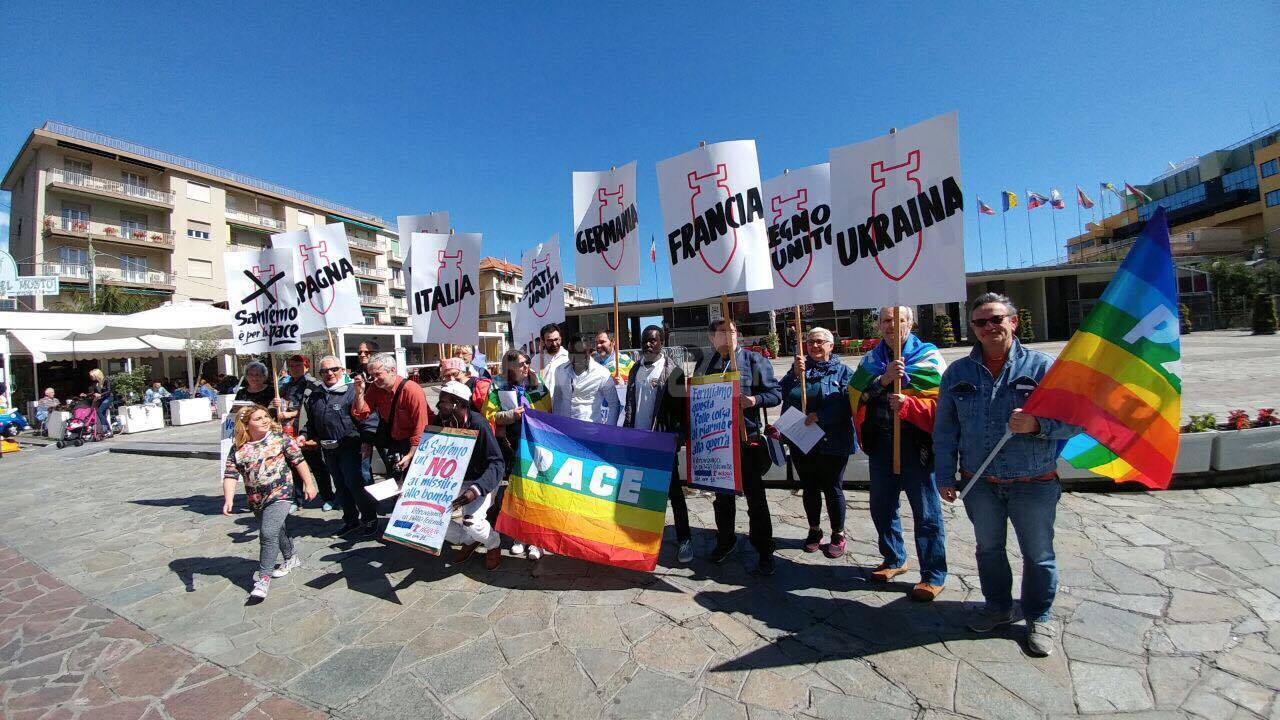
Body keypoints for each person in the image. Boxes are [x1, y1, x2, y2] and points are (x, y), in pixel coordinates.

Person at [935, 293, 1083, 657]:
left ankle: (1038, 617)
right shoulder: (958, 373)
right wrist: (944, 475)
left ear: (1013, 322)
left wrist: (1037, 424)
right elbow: (945, 429)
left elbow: (1077, 422)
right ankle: (998, 607)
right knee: (988, 550)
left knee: (1038, 555)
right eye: (980, 322)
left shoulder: (1042, 368)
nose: (989, 327)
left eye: (996, 319)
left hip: (1032, 482)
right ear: (973, 329)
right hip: (980, 483)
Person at [850, 307, 949, 601]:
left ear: (910, 323)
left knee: (926, 511)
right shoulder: (871, 360)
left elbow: (942, 404)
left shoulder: (929, 357)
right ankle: (894, 558)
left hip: (916, 446)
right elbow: (855, 395)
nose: (891, 325)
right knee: (882, 506)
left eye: (898, 320)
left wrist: (908, 399)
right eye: (885, 321)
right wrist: (883, 380)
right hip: (881, 444)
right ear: (879, 325)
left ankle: (933, 574)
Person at [696, 318, 781, 575]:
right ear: (712, 338)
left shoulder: (754, 361)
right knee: (722, 499)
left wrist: (753, 399)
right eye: (723, 332)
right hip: (717, 444)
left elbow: (775, 393)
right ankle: (726, 540)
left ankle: (765, 551)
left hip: (748, 442)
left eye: (733, 331)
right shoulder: (705, 364)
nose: (729, 336)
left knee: (756, 500)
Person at [221, 404, 318, 601]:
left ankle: (263, 579)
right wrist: (228, 499)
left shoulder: (281, 439)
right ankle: (291, 557)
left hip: (280, 493)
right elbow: (230, 474)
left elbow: (299, 461)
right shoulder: (239, 449)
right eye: (258, 418)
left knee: (268, 533)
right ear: (246, 425)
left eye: (266, 416)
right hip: (256, 498)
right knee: (276, 528)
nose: (265, 420)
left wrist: (309, 484)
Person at [775, 326, 856, 559]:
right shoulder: (798, 370)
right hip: (802, 440)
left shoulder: (842, 372)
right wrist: (794, 375)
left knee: (833, 488)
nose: (814, 346)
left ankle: (838, 534)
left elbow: (848, 403)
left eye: (820, 341)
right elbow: (780, 394)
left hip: (833, 440)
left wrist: (821, 416)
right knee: (809, 487)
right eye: (810, 342)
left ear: (831, 345)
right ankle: (814, 530)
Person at [623, 326, 693, 563]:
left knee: (674, 493)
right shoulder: (635, 369)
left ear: (662, 342)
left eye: (653, 341)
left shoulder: (672, 372)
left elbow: (682, 410)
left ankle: (685, 540)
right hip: (638, 442)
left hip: (661, 442)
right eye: (645, 341)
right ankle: (642, 539)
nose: (648, 345)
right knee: (641, 493)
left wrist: (678, 437)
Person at [305, 355, 378, 537]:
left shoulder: (353, 391)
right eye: (324, 371)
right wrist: (306, 436)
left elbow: (368, 419)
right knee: (340, 486)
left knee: (356, 485)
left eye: (334, 369)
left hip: (351, 448)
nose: (329, 373)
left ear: (342, 370)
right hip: (329, 450)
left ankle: (370, 518)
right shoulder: (316, 394)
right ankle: (351, 520)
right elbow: (311, 422)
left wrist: (367, 441)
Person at [437, 380, 506, 570]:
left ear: (458, 404)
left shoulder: (479, 424)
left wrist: (476, 490)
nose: (438, 405)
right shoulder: (439, 422)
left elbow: (497, 463)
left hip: (480, 480)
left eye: (443, 401)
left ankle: (493, 544)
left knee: (472, 521)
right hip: (454, 479)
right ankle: (468, 540)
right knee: (431, 518)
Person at [351, 352, 430, 483]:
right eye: (371, 376)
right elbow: (362, 414)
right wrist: (359, 393)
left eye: (378, 374)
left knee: (414, 483)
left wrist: (411, 454)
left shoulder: (412, 390)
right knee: (395, 484)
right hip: (396, 442)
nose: (374, 379)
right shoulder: (376, 389)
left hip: (416, 444)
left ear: (392, 371)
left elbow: (421, 426)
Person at [277, 355, 335, 512]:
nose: (295, 368)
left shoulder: (313, 384)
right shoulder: (286, 385)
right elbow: (279, 403)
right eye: (292, 365)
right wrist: (277, 404)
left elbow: (312, 408)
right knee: (293, 466)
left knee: (316, 465)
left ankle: (328, 497)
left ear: (307, 367)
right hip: (289, 431)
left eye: (298, 365)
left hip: (307, 430)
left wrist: (291, 414)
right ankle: (297, 498)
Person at [550, 334, 622, 425]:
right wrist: (557, 424)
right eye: (572, 353)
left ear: (589, 352)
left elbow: (614, 404)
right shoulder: (560, 370)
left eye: (580, 353)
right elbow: (558, 399)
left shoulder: (602, 374)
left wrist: (609, 431)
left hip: (590, 432)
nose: (576, 357)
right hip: (565, 431)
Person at [532, 323, 569, 390]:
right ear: (543, 341)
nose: (554, 344)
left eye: (556, 339)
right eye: (550, 341)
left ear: (560, 338)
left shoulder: (568, 358)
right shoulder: (536, 360)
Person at [86, 368, 114, 438]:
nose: (91, 378)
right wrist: (88, 395)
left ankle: (105, 429)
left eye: (92, 376)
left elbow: (109, 390)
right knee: (103, 415)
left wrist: (100, 395)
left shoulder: (106, 380)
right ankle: (109, 431)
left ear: (97, 375)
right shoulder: (96, 383)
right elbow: (94, 392)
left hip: (108, 397)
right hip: (101, 399)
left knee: (99, 411)